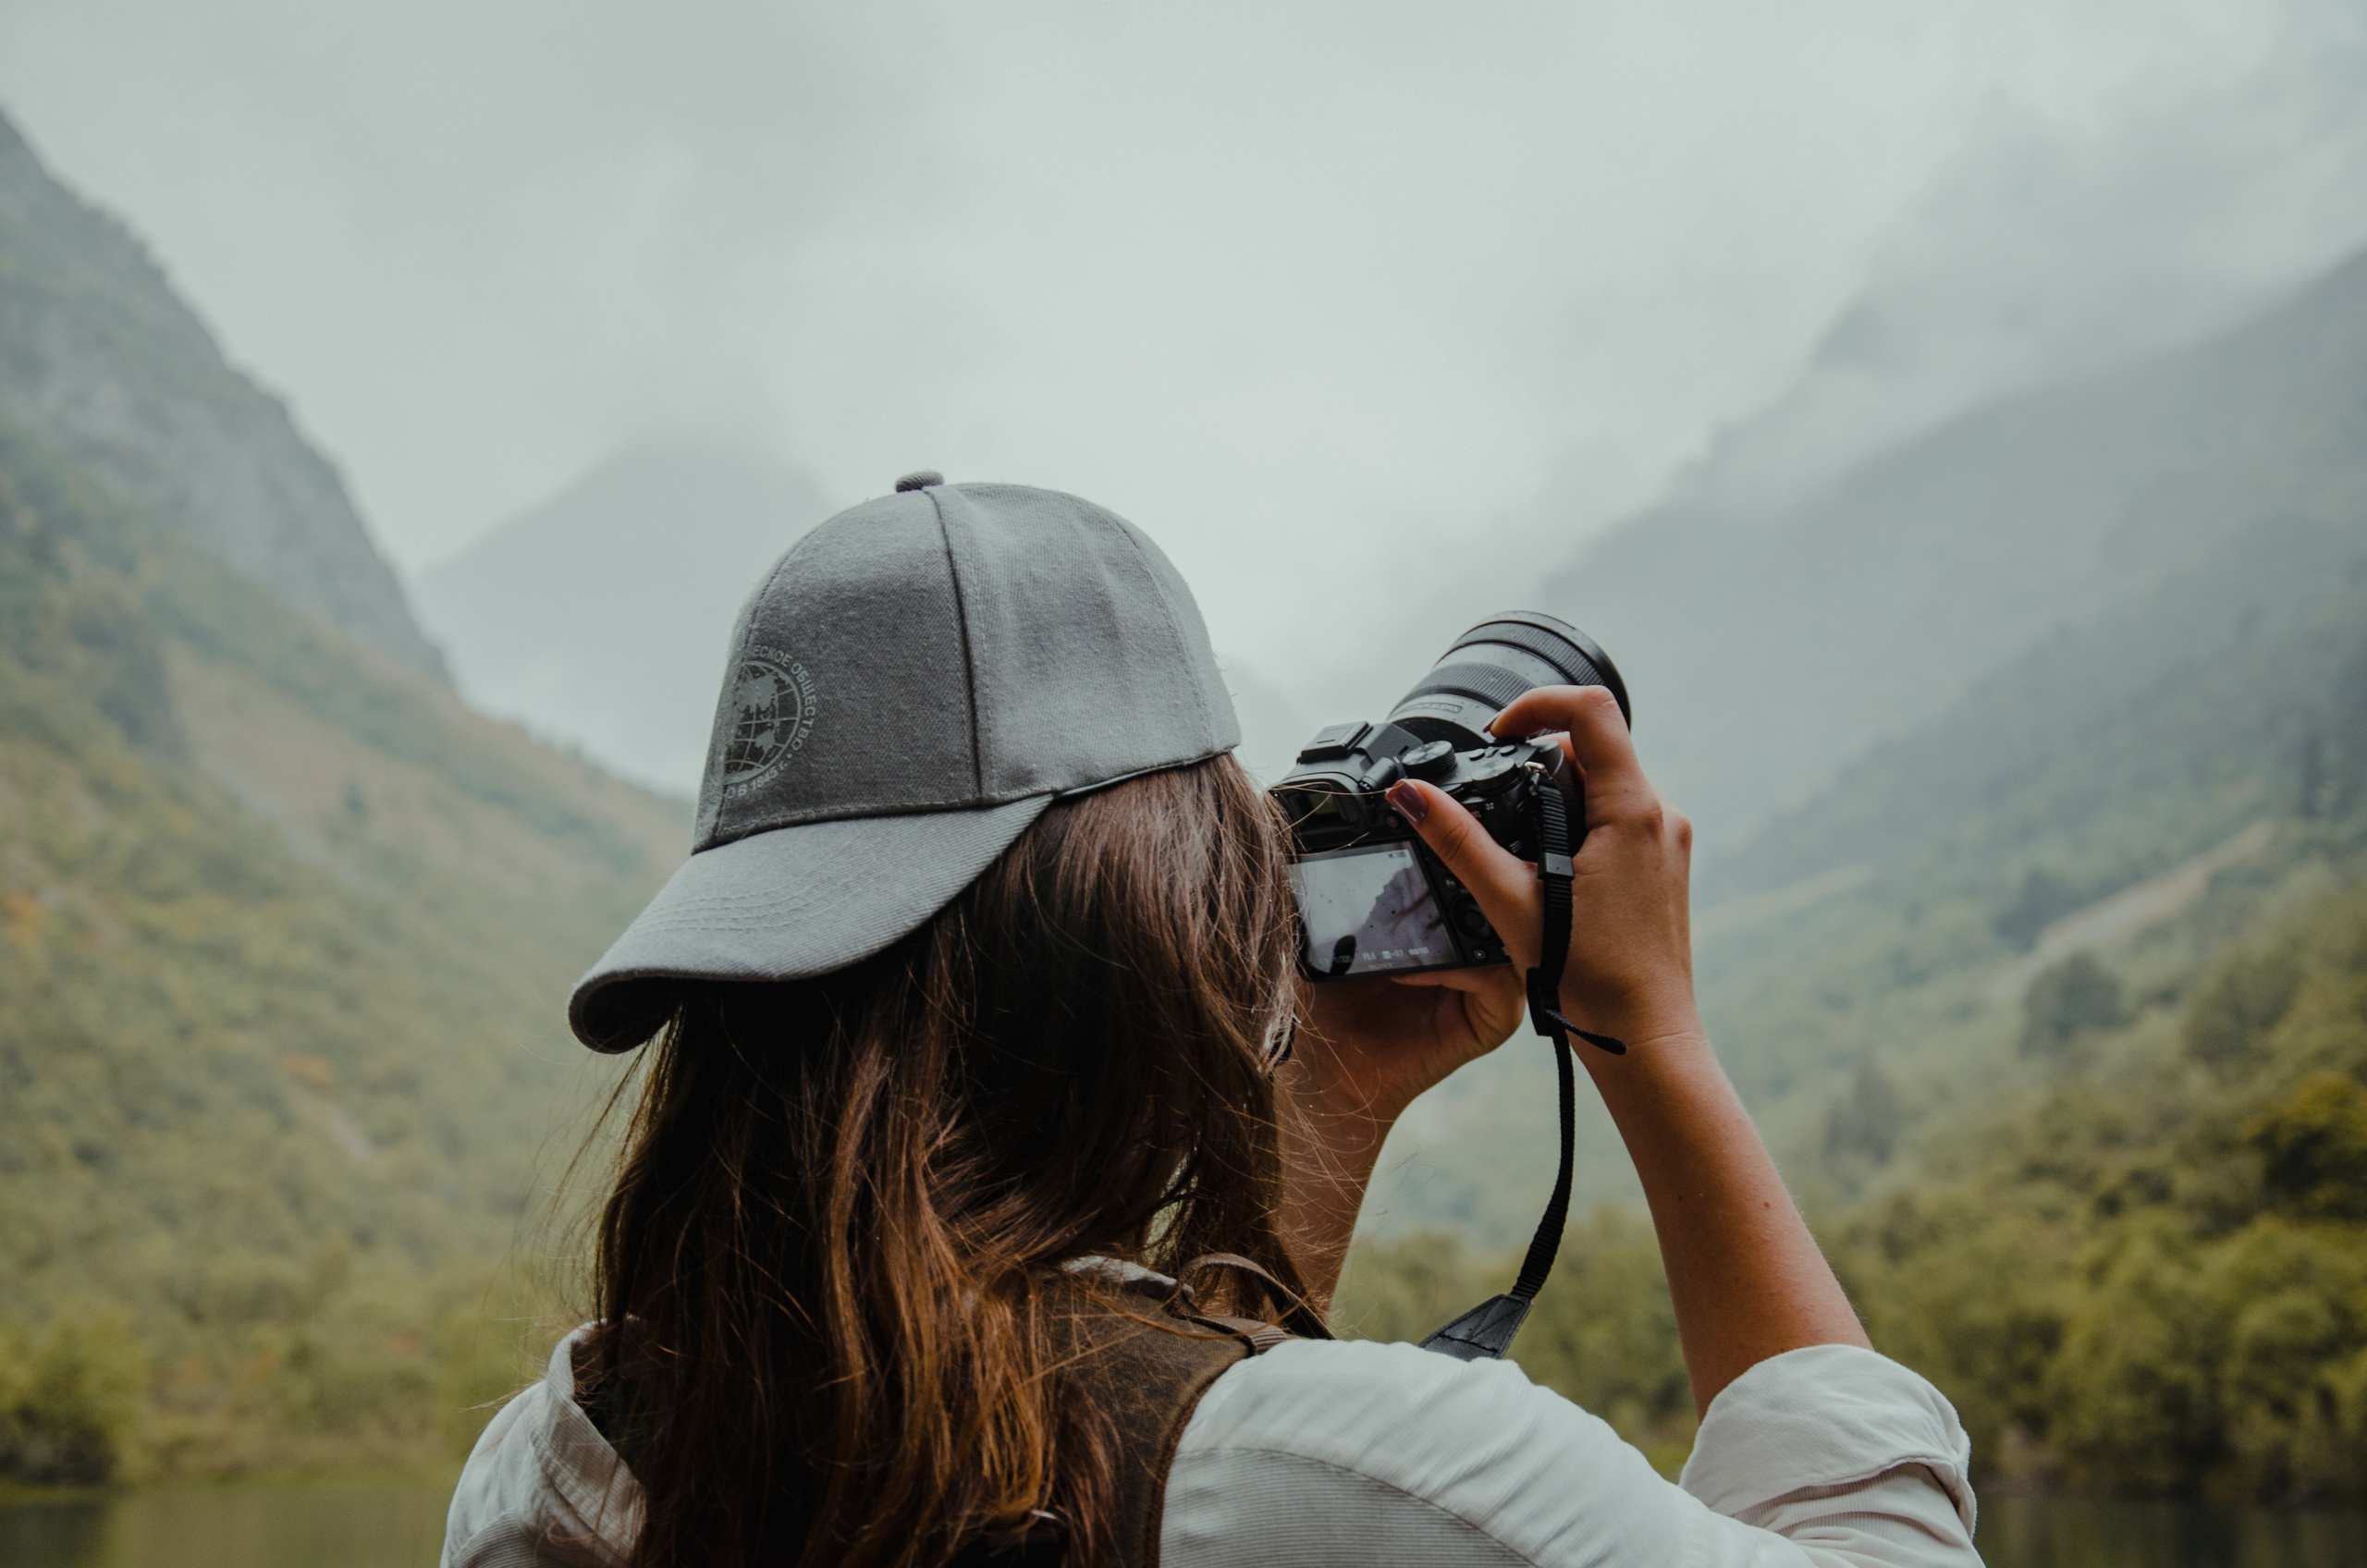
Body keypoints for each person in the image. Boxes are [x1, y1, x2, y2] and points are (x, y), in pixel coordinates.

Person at [441, 476, 1980, 1568]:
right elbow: (1214, 1466)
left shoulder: (556, 1478)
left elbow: (1138, 1445)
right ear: (1162, 923)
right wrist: (1653, 1036)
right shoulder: (1404, 1484)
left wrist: (1338, 1102)